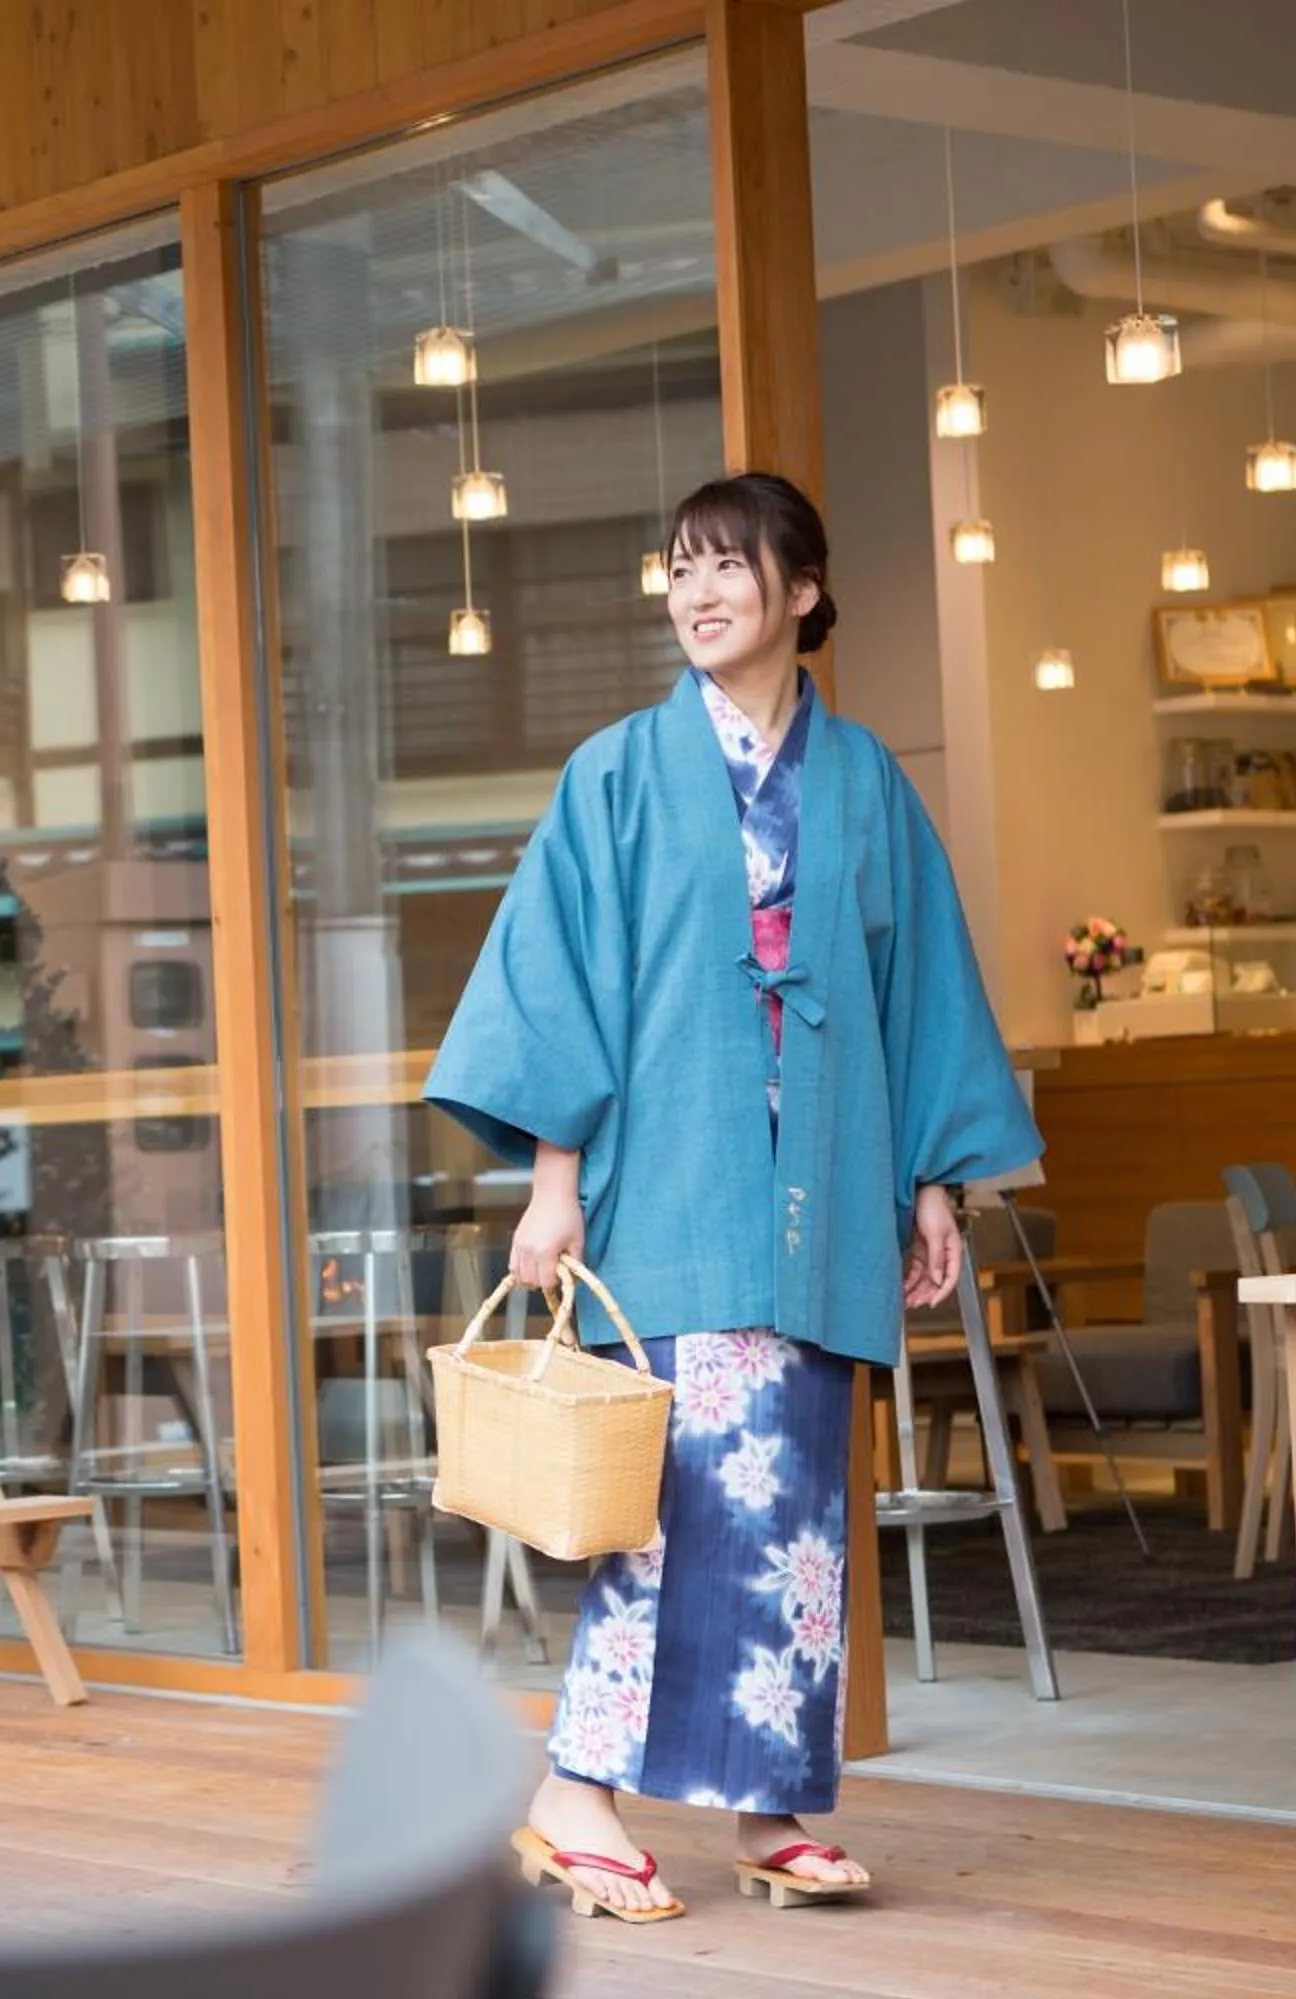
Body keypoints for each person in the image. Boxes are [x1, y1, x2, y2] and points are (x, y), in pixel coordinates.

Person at [424, 470, 1039, 1923]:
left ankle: (771, 1810)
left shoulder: (866, 779)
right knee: (684, 1503)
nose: (696, 595)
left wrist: (936, 1180)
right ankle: (576, 1792)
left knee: (803, 1514)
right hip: (678, 1179)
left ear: (802, 591)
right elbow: (562, 980)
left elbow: (919, 983)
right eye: (679, 570)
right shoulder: (620, 773)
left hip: (822, 1190)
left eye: (726, 569)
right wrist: (553, 1187)